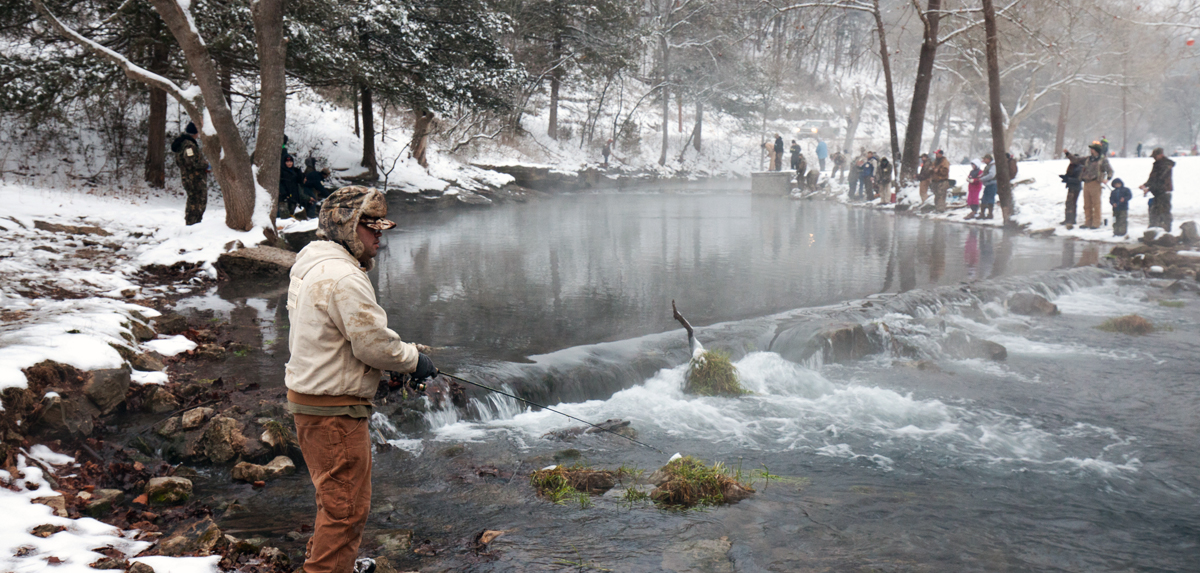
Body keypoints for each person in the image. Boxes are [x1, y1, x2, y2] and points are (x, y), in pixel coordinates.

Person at [287, 186, 437, 573]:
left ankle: (334, 563)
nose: (379, 234)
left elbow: (336, 338)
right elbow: (371, 344)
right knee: (347, 510)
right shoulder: (344, 277)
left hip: (310, 401)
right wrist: (412, 360)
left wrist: (389, 365)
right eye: (371, 227)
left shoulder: (310, 264)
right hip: (334, 411)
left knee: (333, 500)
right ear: (348, 228)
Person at [170, 121, 208, 225]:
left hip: (189, 178)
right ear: (195, 133)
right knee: (197, 201)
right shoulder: (189, 146)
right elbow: (191, 161)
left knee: (193, 200)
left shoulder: (183, 143)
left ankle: (192, 222)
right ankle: (193, 223)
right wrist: (206, 165)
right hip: (194, 179)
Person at [1079, 142, 1113, 229]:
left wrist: (1107, 179)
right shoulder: (1088, 159)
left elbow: (1110, 171)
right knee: (1087, 204)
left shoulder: (1103, 160)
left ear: (1097, 150)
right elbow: (1076, 160)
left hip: (1095, 183)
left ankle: (1096, 223)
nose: (1091, 150)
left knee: (1096, 204)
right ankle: (1088, 222)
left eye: (1092, 149)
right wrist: (1068, 154)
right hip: (1086, 182)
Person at [1141, 147, 1175, 231]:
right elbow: (1152, 178)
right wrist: (1145, 185)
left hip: (1163, 192)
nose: (1154, 158)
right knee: (1154, 212)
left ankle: (1165, 232)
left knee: (1163, 212)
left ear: (1160, 155)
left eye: (1155, 156)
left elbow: (1160, 179)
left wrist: (1149, 188)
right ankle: (1153, 232)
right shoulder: (1157, 164)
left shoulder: (1165, 165)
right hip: (1157, 192)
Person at [1059, 150, 1084, 226]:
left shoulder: (1080, 168)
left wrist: (1068, 179)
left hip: (1076, 188)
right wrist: (1065, 177)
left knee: (1072, 203)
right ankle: (1067, 219)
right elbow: (1070, 176)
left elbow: (1078, 179)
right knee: (1068, 203)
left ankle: (1072, 220)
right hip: (1071, 187)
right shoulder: (1071, 166)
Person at [978, 154, 997, 219]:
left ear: (989, 159)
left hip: (992, 184)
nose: (984, 160)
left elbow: (991, 175)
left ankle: (990, 214)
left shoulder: (993, 166)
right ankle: (982, 213)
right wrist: (980, 176)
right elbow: (985, 173)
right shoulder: (988, 166)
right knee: (984, 199)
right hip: (988, 185)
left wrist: (982, 179)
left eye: (985, 159)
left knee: (990, 199)